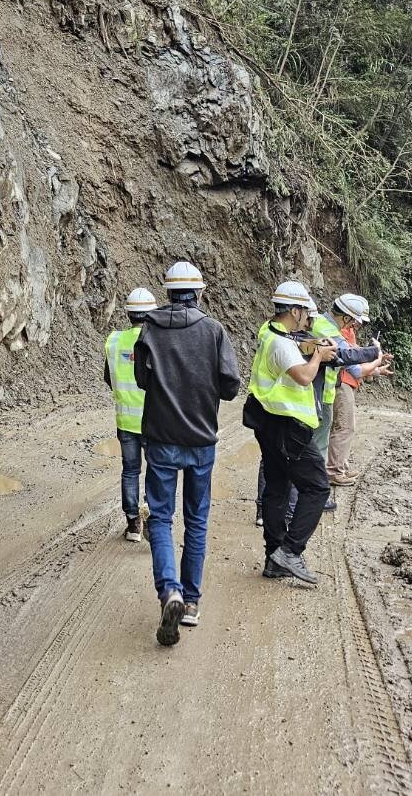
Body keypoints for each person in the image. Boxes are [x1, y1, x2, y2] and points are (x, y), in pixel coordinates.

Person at [133, 260, 242, 646]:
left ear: (167, 292)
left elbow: (141, 379)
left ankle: (170, 592)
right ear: (198, 292)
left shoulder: (148, 329)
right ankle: (191, 602)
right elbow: (230, 386)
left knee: (161, 518)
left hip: (161, 439)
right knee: (196, 520)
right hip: (201, 441)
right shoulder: (214, 331)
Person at [243, 280, 375, 587]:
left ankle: (273, 558)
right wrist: (318, 358)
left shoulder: (271, 333)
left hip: (270, 423)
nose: (308, 317)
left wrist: (316, 352)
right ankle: (291, 551)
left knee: (277, 489)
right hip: (288, 428)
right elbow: (303, 377)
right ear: (293, 311)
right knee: (317, 487)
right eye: (304, 311)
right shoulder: (280, 343)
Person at [103, 287, 157, 542]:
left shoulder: (114, 341)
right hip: (153, 420)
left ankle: (133, 524)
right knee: (155, 470)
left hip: (125, 419)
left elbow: (108, 377)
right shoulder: (156, 341)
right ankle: (152, 518)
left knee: (130, 470)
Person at [326, 293, 392, 487]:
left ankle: (340, 466)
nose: (357, 324)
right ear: (348, 317)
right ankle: (334, 470)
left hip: (345, 382)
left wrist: (377, 366)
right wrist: (376, 361)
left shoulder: (346, 331)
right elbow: (355, 366)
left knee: (346, 426)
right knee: (344, 426)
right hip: (342, 382)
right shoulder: (338, 332)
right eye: (356, 320)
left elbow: (359, 360)